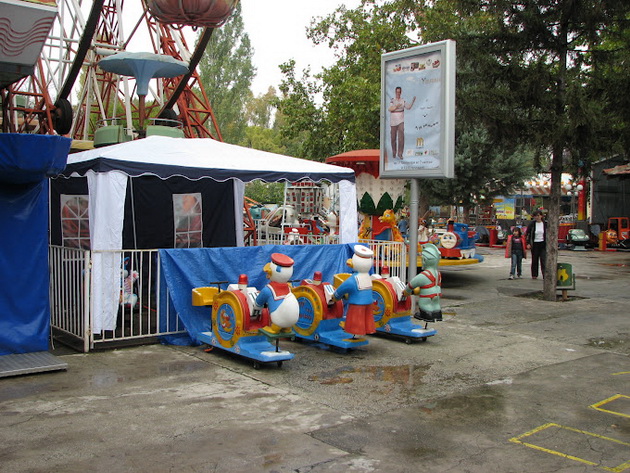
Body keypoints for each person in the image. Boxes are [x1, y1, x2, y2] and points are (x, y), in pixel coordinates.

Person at [388, 86, 416, 160]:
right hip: (393, 122)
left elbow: (408, 107)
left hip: (400, 121)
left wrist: (413, 101)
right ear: (395, 92)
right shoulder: (392, 100)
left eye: (399, 92)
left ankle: (400, 153)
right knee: (393, 138)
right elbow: (390, 109)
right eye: (397, 92)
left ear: (400, 92)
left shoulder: (403, 100)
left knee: (401, 138)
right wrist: (396, 106)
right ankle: (394, 152)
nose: (398, 93)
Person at [526, 210, 547, 279]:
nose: (537, 217)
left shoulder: (545, 224)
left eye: (538, 215)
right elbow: (528, 234)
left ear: (541, 216)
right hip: (535, 244)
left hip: (543, 243)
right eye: (536, 216)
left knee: (543, 259)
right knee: (535, 259)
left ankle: (545, 274)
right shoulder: (532, 224)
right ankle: (534, 274)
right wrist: (528, 243)